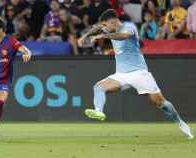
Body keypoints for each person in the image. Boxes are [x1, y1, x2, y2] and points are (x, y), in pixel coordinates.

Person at [77, 9, 194, 139]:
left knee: (161, 103)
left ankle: (180, 122)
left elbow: (123, 36)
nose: (103, 28)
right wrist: (85, 36)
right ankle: (98, 111)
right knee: (98, 87)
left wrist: (103, 36)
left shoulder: (129, 27)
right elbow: (97, 28)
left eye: (105, 25)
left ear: (113, 21)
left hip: (139, 73)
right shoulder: (109, 28)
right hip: (121, 75)